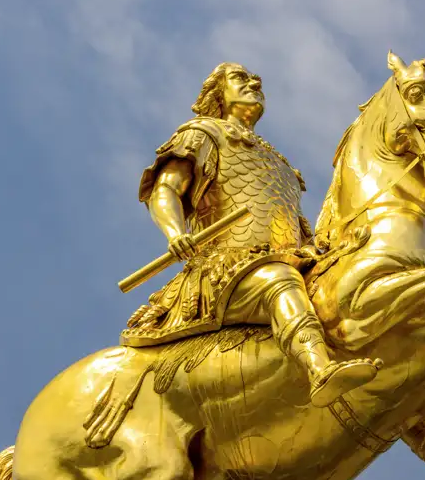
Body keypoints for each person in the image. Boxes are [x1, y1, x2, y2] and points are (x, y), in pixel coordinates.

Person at [121, 62, 379, 407]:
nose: (254, 81)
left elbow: (297, 226)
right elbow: (165, 188)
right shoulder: (203, 133)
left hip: (290, 259)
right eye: (240, 78)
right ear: (219, 94)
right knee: (278, 279)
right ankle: (319, 370)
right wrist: (174, 232)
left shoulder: (280, 164)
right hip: (226, 268)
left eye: (255, 79)